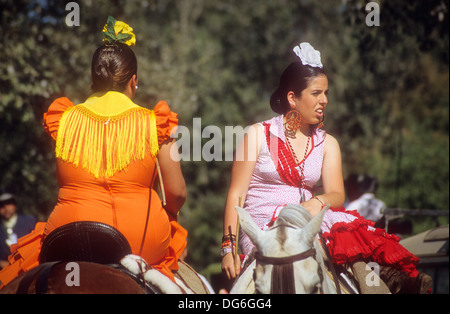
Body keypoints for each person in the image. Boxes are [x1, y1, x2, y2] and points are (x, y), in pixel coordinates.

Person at [221, 42, 432, 293]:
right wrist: (227, 249)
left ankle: (383, 284)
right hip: (264, 227)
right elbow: (236, 194)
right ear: (292, 98)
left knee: (351, 251)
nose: (324, 100)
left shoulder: (328, 143)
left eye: (326, 93)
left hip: (306, 220)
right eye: (316, 93)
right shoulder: (255, 135)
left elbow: (337, 195)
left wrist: (315, 204)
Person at [0, 16, 187, 289]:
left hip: (69, 234)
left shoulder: (63, 119)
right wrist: (170, 212)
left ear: (93, 79)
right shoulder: (155, 122)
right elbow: (177, 194)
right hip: (137, 238)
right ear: (134, 81)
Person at [0, 193, 36, 269]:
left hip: (31, 269)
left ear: (15, 205)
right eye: (1, 205)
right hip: (5, 274)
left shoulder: (29, 221)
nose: (5, 207)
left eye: (9, 203)